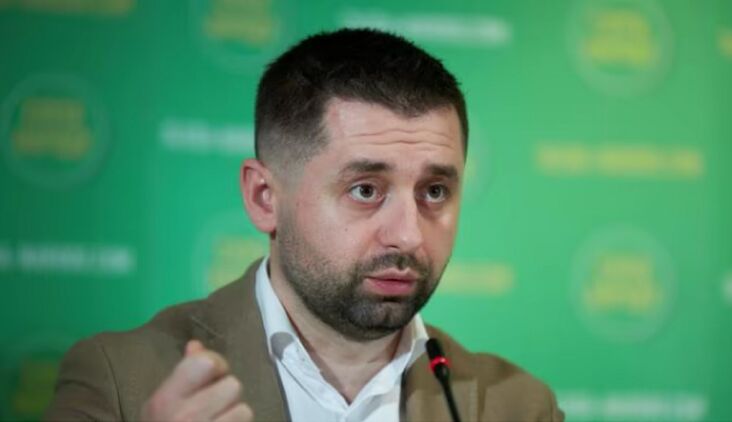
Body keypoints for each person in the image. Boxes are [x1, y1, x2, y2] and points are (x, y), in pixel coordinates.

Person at [44, 28, 564, 422]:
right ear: (264, 198)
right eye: (366, 190)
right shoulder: (120, 380)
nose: (408, 235)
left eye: (434, 192)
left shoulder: (517, 406)